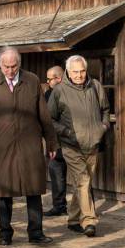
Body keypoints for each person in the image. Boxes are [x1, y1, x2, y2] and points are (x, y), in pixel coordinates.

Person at [0, 47, 58, 246]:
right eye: (6, 67)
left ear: (19, 64)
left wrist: (51, 142)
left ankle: (36, 232)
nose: (10, 71)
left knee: (33, 189)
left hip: (29, 144)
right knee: (4, 191)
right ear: (0, 65)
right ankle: (5, 233)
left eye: (14, 66)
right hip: (1, 145)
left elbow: (43, 115)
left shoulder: (32, 81)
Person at [48, 55, 110, 238]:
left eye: (82, 71)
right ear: (68, 71)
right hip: (71, 145)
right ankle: (89, 220)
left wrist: (103, 127)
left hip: (92, 144)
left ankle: (74, 219)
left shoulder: (95, 86)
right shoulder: (59, 91)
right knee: (83, 181)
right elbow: (50, 119)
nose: (79, 75)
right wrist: (66, 132)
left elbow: (105, 110)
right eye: (75, 71)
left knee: (82, 184)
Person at [44, 65, 68, 217]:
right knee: (56, 173)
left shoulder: (70, 93)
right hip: (55, 142)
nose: (47, 82)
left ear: (58, 79)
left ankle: (86, 208)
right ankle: (59, 206)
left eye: (49, 79)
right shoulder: (48, 95)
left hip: (72, 140)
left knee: (81, 177)